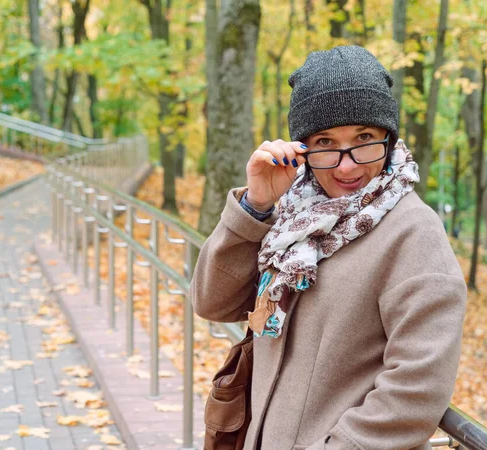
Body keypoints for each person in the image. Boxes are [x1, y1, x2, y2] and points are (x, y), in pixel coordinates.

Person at [190, 46, 467, 450]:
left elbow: (418, 385)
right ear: (301, 149)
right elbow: (212, 303)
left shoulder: (412, 232)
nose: (347, 166)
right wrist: (256, 206)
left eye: (364, 138)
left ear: (388, 139)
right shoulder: (293, 218)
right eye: (325, 142)